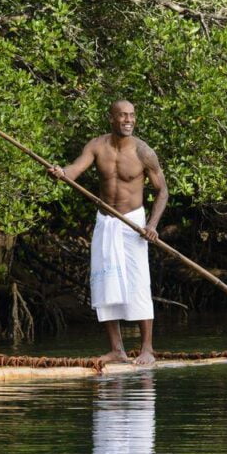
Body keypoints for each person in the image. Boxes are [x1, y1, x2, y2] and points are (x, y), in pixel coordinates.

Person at [49, 100, 168, 365]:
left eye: (132, 115)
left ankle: (147, 349)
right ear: (111, 118)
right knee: (104, 283)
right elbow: (74, 170)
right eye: (123, 115)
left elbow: (162, 191)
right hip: (106, 221)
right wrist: (61, 173)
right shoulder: (97, 146)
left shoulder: (144, 152)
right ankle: (117, 349)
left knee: (138, 283)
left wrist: (152, 225)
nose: (128, 120)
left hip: (133, 224)